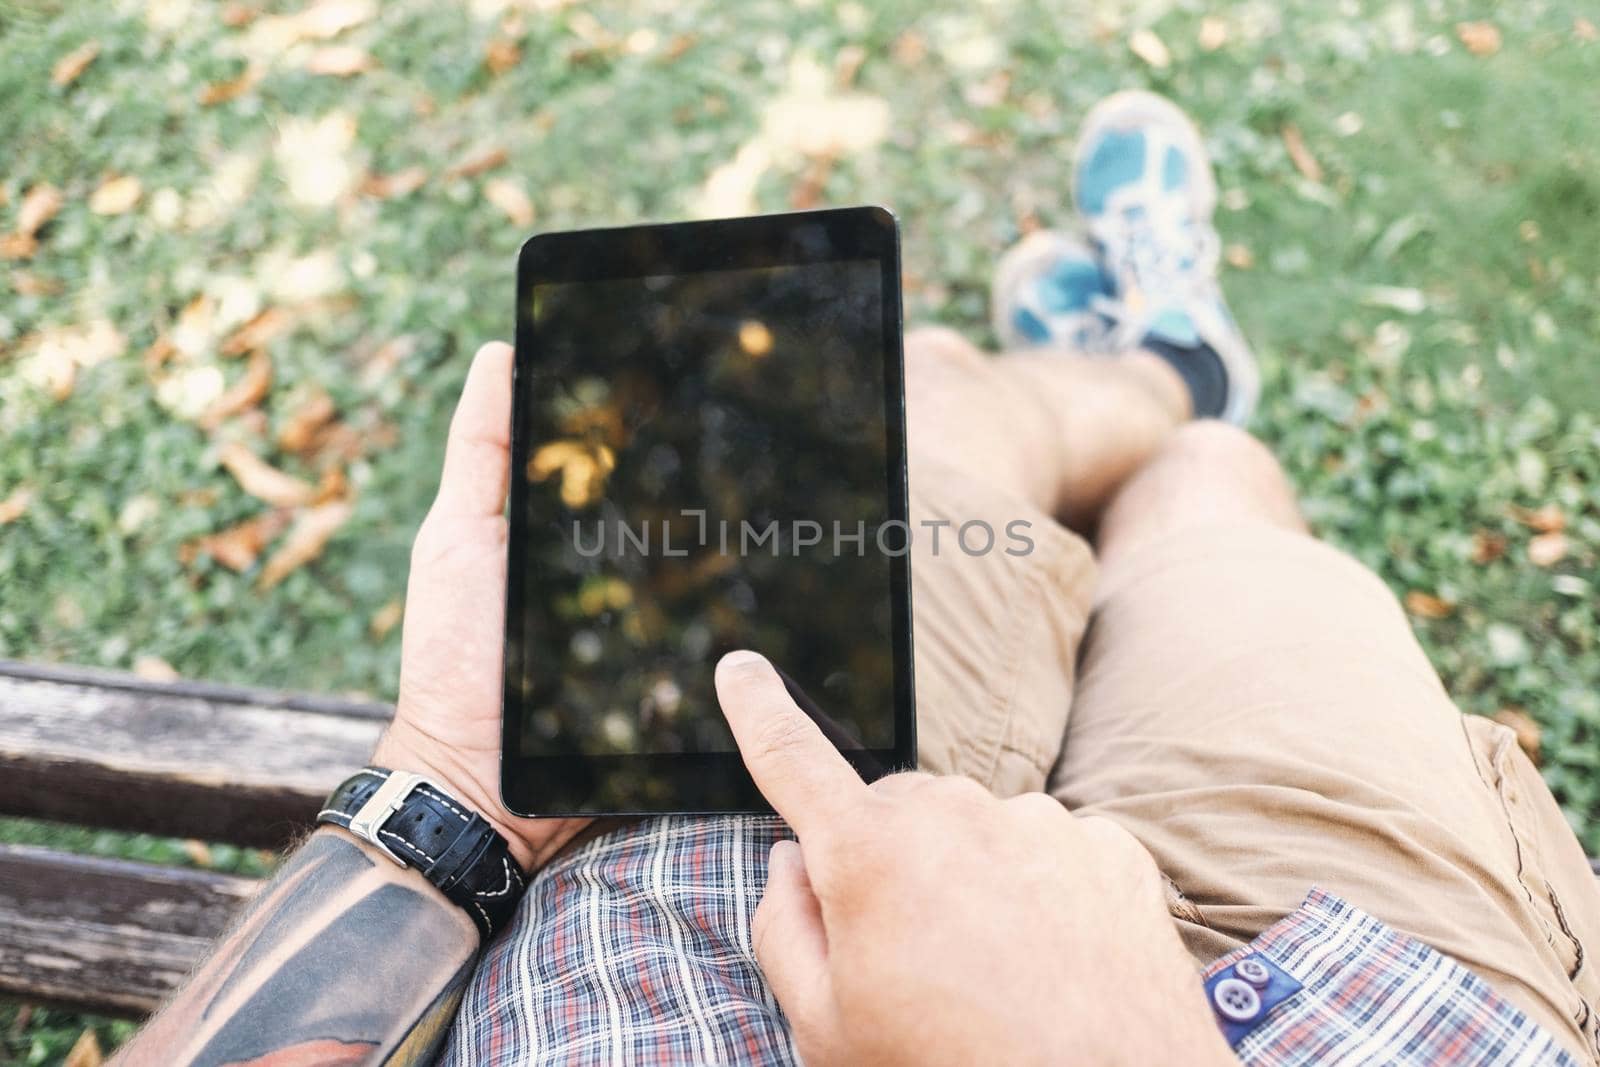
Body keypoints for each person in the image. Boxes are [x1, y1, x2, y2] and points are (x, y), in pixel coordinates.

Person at [114, 92, 1598, 1067]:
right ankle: (1186, 389)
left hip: (694, 860)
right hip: (1338, 1004)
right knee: (1209, 495)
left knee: (934, 390)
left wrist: (451, 774)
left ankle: (1164, 352)